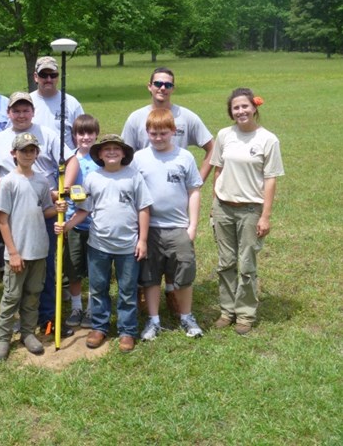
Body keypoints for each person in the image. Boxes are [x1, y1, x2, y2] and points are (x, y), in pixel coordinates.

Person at [0, 92, 79, 337]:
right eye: (16, 110)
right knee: (14, 265)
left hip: (42, 210)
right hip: (11, 212)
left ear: (33, 112)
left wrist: (62, 190)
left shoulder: (47, 134)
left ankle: (47, 316)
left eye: (26, 110)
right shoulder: (0, 140)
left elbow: (72, 160)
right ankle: (18, 318)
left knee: (44, 266)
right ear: (9, 113)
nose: (21, 114)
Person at [121, 66, 214, 317]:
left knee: (176, 252)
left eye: (168, 85)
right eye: (158, 83)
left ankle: (173, 293)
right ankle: (143, 292)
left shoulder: (187, 117)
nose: (163, 88)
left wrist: (197, 181)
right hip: (143, 201)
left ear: (173, 88)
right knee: (145, 250)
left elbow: (212, 148)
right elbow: (124, 157)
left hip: (176, 194)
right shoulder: (135, 118)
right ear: (149, 86)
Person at [55, 134, 153, 353]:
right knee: (98, 288)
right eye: (106, 149)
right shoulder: (92, 178)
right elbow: (84, 209)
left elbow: (143, 208)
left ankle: (127, 330)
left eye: (116, 149)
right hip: (98, 245)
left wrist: (143, 240)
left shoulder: (134, 176)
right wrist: (68, 225)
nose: (111, 152)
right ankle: (99, 326)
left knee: (127, 290)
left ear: (124, 153)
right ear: (99, 154)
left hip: (128, 246)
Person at [210, 88, 284, 335]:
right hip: (223, 207)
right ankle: (226, 311)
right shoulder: (223, 135)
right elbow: (218, 169)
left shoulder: (268, 140)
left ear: (254, 107)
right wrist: (214, 204)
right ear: (230, 112)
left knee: (247, 264)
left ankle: (245, 315)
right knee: (225, 263)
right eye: (235, 108)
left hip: (251, 209)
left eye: (244, 106)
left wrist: (265, 215)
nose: (240, 111)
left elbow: (270, 179)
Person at [131, 108, 204, 341]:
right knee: (150, 276)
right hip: (149, 229)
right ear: (147, 132)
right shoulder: (139, 158)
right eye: (153, 133)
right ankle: (153, 320)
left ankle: (186, 316)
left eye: (163, 133)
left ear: (173, 131)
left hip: (178, 227)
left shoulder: (184, 157)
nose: (158, 138)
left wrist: (192, 226)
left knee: (184, 274)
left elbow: (194, 190)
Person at [0, 132, 58, 361]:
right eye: (23, 151)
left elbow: (45, 210)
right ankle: (3, 338)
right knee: (12, 296)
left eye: (32, 150)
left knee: (33, 294)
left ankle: (28, 333)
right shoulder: (9, 182)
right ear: (14, 154)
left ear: (37, 153)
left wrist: (59, 208)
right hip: (17, 252)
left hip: (39, 249)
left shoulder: (42, 181)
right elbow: (2, 220)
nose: (28, 154)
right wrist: (13, 252)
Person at [63, 115, 100, 329]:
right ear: (74, 135)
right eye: (81, 133)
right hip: (74, 223)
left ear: (96, 134)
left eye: (89, 133)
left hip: (97, 224)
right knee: (74, 267)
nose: (85, 137)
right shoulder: (70, 160)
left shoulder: (101, 160)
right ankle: (76, 306)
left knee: (95, 268)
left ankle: (91, 308)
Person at [30, 56, 84, 150]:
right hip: (33, 161)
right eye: (43, 75)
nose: (49, 79)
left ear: (58, 77)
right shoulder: (26, 102)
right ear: (36, 77)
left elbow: (82, 137)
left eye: (53, 75)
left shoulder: (72, 103)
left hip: (66, 162)